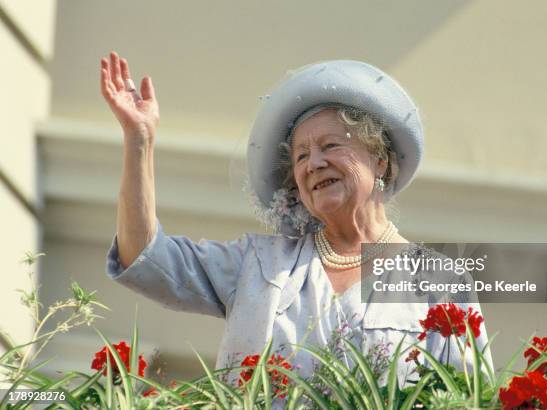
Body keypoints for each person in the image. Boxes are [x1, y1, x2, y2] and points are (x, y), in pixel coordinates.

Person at [100, 52, 492, 386]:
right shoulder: (256, 264)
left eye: (330, 146)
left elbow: (469, 397)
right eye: (301, 156)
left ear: (380, 161)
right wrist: (139, 141)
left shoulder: (439, 282)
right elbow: (147, 259)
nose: (314, 163)